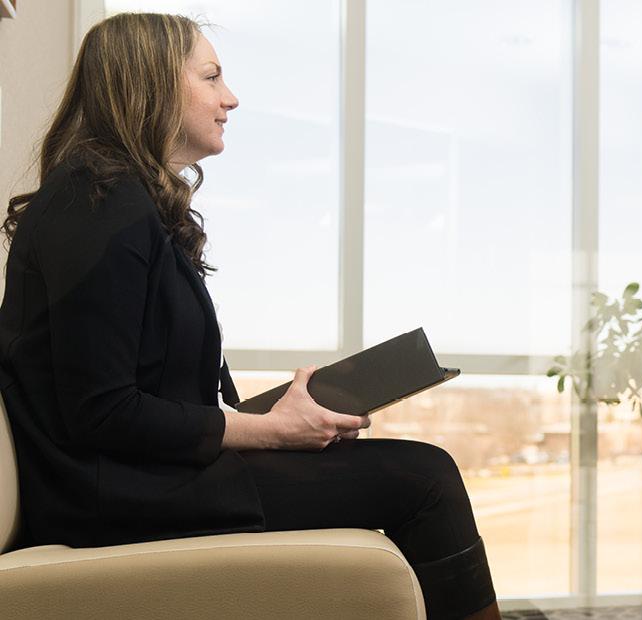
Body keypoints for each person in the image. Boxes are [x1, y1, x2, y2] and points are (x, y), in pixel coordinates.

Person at [0, 13, 499, 620]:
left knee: (422, 471)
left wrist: (281, 421)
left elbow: (142, 391)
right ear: (151, 84)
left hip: (143, 474)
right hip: (113, 494)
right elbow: (102, 411)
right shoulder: (98, 203)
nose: (230, 98)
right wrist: (271, 432)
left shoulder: (110, 198)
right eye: (211, 77)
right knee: (426, 480)